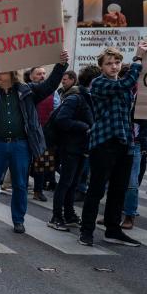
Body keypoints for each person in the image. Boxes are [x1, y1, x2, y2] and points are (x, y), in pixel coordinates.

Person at [0, 49, 69, 233]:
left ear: (11, 73)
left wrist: (61, 64)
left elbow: (49, 85)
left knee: (20, 184)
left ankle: (18, 220)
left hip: (20, 144)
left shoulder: (28, 91)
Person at [77, 44, 147, 247]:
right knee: (97, 189)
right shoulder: (99, 83)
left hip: (124, 141)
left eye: (117, 62)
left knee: (118, 190)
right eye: (109, 63)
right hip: (104, 142)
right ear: (101, 67)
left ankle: (113, 230)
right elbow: (125, 85)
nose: (114, 66)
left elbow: (127, 111)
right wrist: (137, 59)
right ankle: (86, 231)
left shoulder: (123, 84)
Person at [47, 65, 97, 230]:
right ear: (93, 81)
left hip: (82, 147)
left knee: (73, 183)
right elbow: (61, 120)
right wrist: (84, 126)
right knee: (65, 182)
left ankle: (69, 215)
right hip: (70, 147)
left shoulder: (89, 96)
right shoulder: (76, 97)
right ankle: (56, 217)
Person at [29, 65, 60, 201]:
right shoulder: (26, 90)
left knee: (42, 163)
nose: (42, 76)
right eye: (38, 74)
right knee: (24, 161)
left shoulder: (54, 93)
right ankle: (21, 186)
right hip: (27, 131)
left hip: (45, 133)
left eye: (44, 74)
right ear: (31, 77)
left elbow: (57, 110)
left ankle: (38, 190)